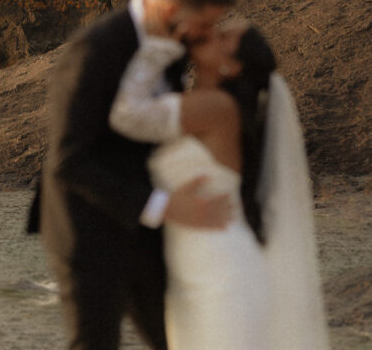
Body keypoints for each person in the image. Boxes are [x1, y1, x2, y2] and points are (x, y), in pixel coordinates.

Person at [37, 0, 237, 350]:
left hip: (147, 228)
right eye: (203, 24)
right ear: (171, 11)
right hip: (85, 228)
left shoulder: (175, 46)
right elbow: (67, 162)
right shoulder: (95, 50)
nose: (206, 35)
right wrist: (165, 206)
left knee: (178, 340)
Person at [109, 20, 330, 350]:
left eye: (223, 36)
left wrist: (157, 38)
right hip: (197, 264)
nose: (210, 32)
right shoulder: (204, 103)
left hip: (218, 269)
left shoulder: (216, 109)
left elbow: (124, 115)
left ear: (232, 65)